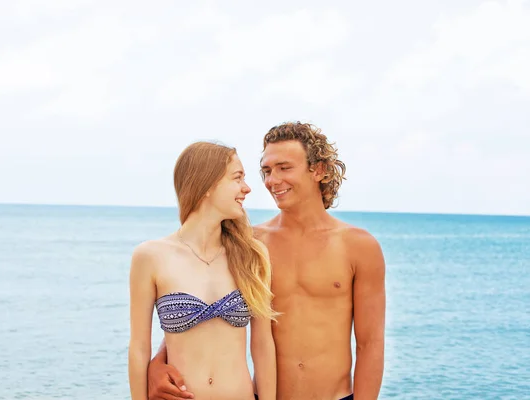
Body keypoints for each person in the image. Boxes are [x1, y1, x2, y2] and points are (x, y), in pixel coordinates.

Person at [147, 122, 386, 400]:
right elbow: (202, 307)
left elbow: (370, 344)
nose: (272, 180)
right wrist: (157, 362)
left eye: (284, 168)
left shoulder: (358, 246)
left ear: (318, 170)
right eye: (267, 171)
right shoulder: (249, 242)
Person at [128, 142, 277, 400]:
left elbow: (263, 345)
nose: (247, 188)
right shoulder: (150, 256)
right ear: (207, 185)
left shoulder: (252, 254)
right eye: (237, 178)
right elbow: (139, 348)